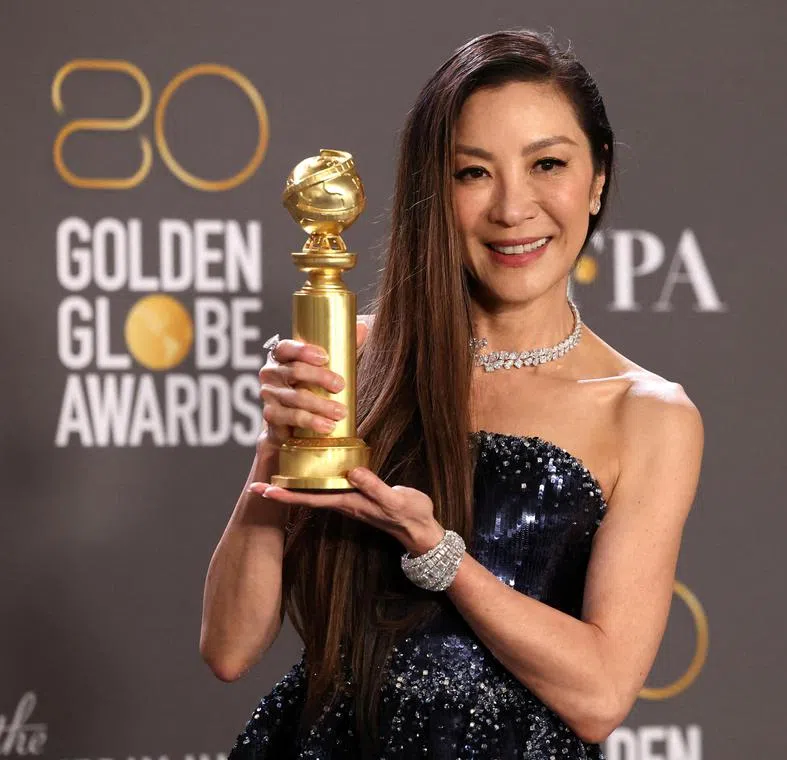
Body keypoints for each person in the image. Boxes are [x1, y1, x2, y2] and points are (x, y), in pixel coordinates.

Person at [200, 29, 703, 760]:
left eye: (548, 164)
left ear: (597, 180)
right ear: (436, 191)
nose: (512, 208)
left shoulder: (647, 414)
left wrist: (437, 553)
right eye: (474, 173)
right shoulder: (360, 354)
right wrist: (277, 446)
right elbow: (229, 647)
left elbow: (600, 696)